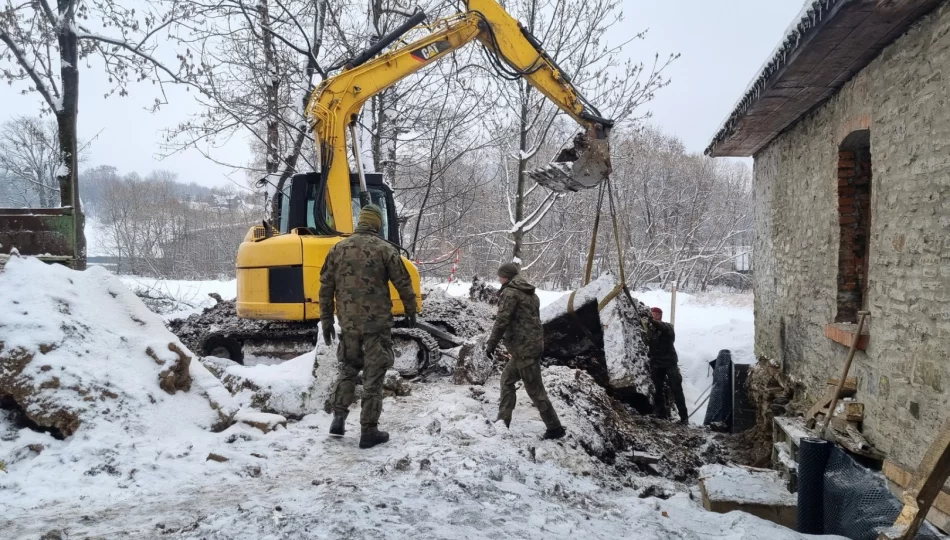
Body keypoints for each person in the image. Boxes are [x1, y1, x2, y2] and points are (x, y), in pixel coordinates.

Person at [320, 204, 417, 449]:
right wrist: (411, 311)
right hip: (376, 327)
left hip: (349, 325)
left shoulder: (337, 249)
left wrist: (327, 320)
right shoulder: (385, 249)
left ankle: (338, 420)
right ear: (376, 224)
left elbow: (325, 288)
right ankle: (368, 431)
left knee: (348, 370)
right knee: (373, 378)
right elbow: (403, 282)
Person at [485, 262, 565, 440]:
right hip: (529, 346)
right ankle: (503, 421)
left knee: (535, 391)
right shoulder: (529, 292)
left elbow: (502, 321)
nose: (498, 278)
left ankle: (555, 428)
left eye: (500, 275)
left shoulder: (511, 293)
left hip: (525, 350)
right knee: (507, 380)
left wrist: (491, 344)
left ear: (506, 276)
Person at [644, 306, 689, 424]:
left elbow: (662, 327)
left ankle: (684, 418)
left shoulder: (668, 327)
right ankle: (661, 414)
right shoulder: (650, 330)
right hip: (657, 364)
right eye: (651, 314)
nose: (653, 316)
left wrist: (651, 321)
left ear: (659, 316)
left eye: (654, 314)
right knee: (657, 389)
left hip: (670, 363)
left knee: (676, 389)